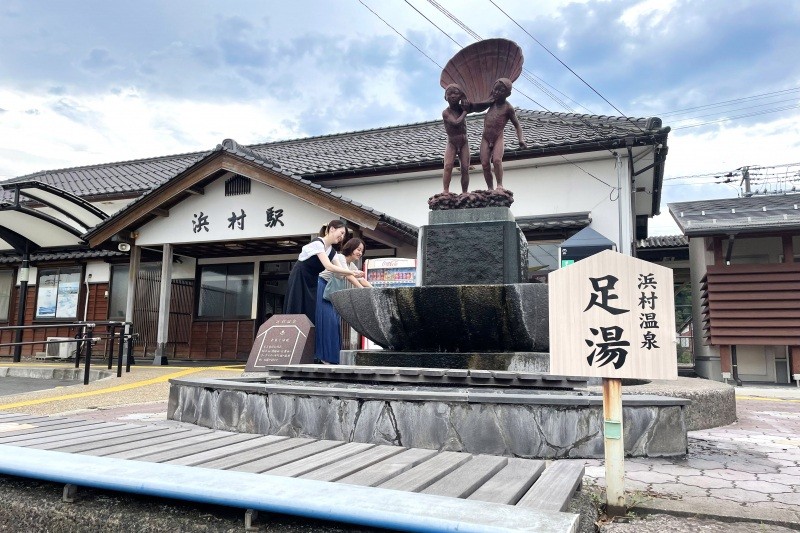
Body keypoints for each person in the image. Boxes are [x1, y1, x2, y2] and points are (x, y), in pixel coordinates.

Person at [284, 220, 363, 324]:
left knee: (309, 309)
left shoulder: (333, 252)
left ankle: (307, 337)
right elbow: (328, 266)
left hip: (312, 280)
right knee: (296, 304)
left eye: (344, 235)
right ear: (332, 229)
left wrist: (353, 274)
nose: (342, 237)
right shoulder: (318, 243)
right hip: (299, 277)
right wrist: (351, 272)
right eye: (342, 233)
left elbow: (339, 273)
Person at [314, 238, 372, 364]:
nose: (360, 253)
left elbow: (361, 279)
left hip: (332, 293)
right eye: (358, 249)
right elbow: (349, 276)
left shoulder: (351, 265)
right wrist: (362, 289)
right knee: (328, 323)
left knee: (335, 324)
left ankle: (332, 358)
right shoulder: (339, 258)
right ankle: (323, 357)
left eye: (362, 251)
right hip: (323, 289)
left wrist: (373, 289)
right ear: (351, 248)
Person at [479, 78, 527, 190]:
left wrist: (521, 139)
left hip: (497, 137)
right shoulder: (490, 102)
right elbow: (476, 106)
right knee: (485, 164)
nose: (497, 92)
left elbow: (517, 125)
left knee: (496, 160)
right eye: (495, 90)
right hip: (485, 138)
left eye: (500, 91)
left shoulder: (508, 108)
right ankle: (490, 188)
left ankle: (499, 185)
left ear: (508, 94)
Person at [441, 84, 472, 194]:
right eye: (450, 93)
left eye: (456, 93)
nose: (453, 96)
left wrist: (466, 101)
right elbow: (456, 122)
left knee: (465, 168)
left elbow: (475, 106)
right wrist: (465, 112)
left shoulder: (462, 107)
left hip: (464, 142)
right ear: (445, 97)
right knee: (448, 166)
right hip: (452, 142)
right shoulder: (446, 112)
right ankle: (445, 190)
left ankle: (464, 192)